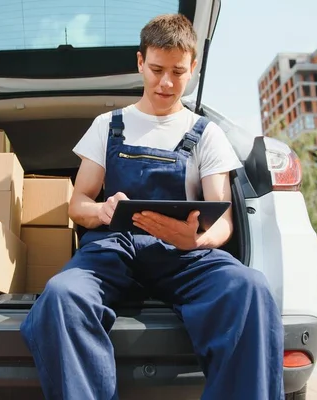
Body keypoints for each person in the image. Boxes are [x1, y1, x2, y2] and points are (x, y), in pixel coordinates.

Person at [20, 13, 284, 400]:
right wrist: (102, 212)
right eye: (157, 69)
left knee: (250, 288)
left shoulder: (207, 134)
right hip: (113, 248)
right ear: (140, 62)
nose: (165, 82)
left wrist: (195, 240)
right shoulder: (107, 126)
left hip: (182, 254)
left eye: (177, 72)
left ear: (192, 68)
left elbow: (223, 217)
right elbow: (77, 203)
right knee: (61, 295)